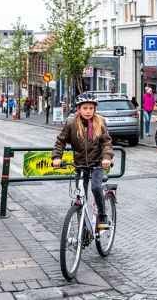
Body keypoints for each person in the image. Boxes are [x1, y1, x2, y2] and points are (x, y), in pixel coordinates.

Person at [51, 97, 114, 228]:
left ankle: (102, 216)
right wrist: (56, 157)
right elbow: (60, 141)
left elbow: (106, 143)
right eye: (85, 108)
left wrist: (106, 158)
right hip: (80, 164)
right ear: (78, 109)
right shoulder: (71, 123)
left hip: (97, 162)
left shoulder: (100, 121)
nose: (88, 111)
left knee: (95, 187)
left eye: (91, 108)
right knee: (80, 193)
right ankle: (83, 226)